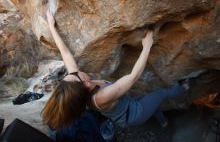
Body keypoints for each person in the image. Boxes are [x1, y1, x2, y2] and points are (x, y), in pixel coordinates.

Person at [42, 9, 189, 137]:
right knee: (161, 94)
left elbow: (65, 53)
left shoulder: (79, 86)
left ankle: (163, 123)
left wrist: (51, 26)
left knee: (153, 103)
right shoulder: (101, 97)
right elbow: (133, 77)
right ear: (85, 83)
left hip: (128, 103)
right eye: (75, 74)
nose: (74, 71)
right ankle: (184, 88)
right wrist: (147, 46)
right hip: (133, 114)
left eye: (71, 74)